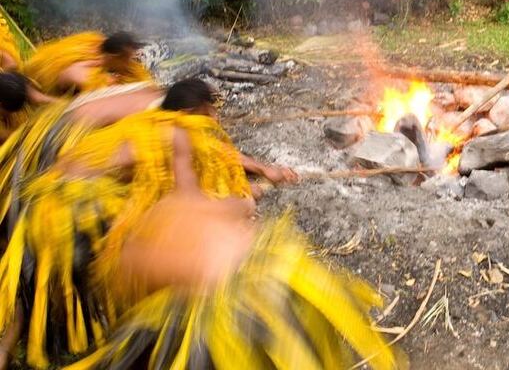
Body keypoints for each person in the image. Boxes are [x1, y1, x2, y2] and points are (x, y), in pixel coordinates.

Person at [0, 79, 297, 368]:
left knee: (26, 295)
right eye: (212, 114)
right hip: (79, 212)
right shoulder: (177, 134)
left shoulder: (145, 123)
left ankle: (7, 349)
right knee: (166, 260)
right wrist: (239, 205)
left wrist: (254, 176)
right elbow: (188, 205)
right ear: (195, 113)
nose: (216, 123)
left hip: (42, 205)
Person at [64, 193, 400, 370]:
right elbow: (243, 206)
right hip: (284, 269)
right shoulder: (168, 204)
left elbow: (146, 316)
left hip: (239, 310)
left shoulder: (127, 258)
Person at [23, 31, 152, 95]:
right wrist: (108, 84)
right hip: (40, 90)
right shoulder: (86, 70)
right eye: (127, 59)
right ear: (114, 56)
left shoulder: (99, 45)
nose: (131, 63)